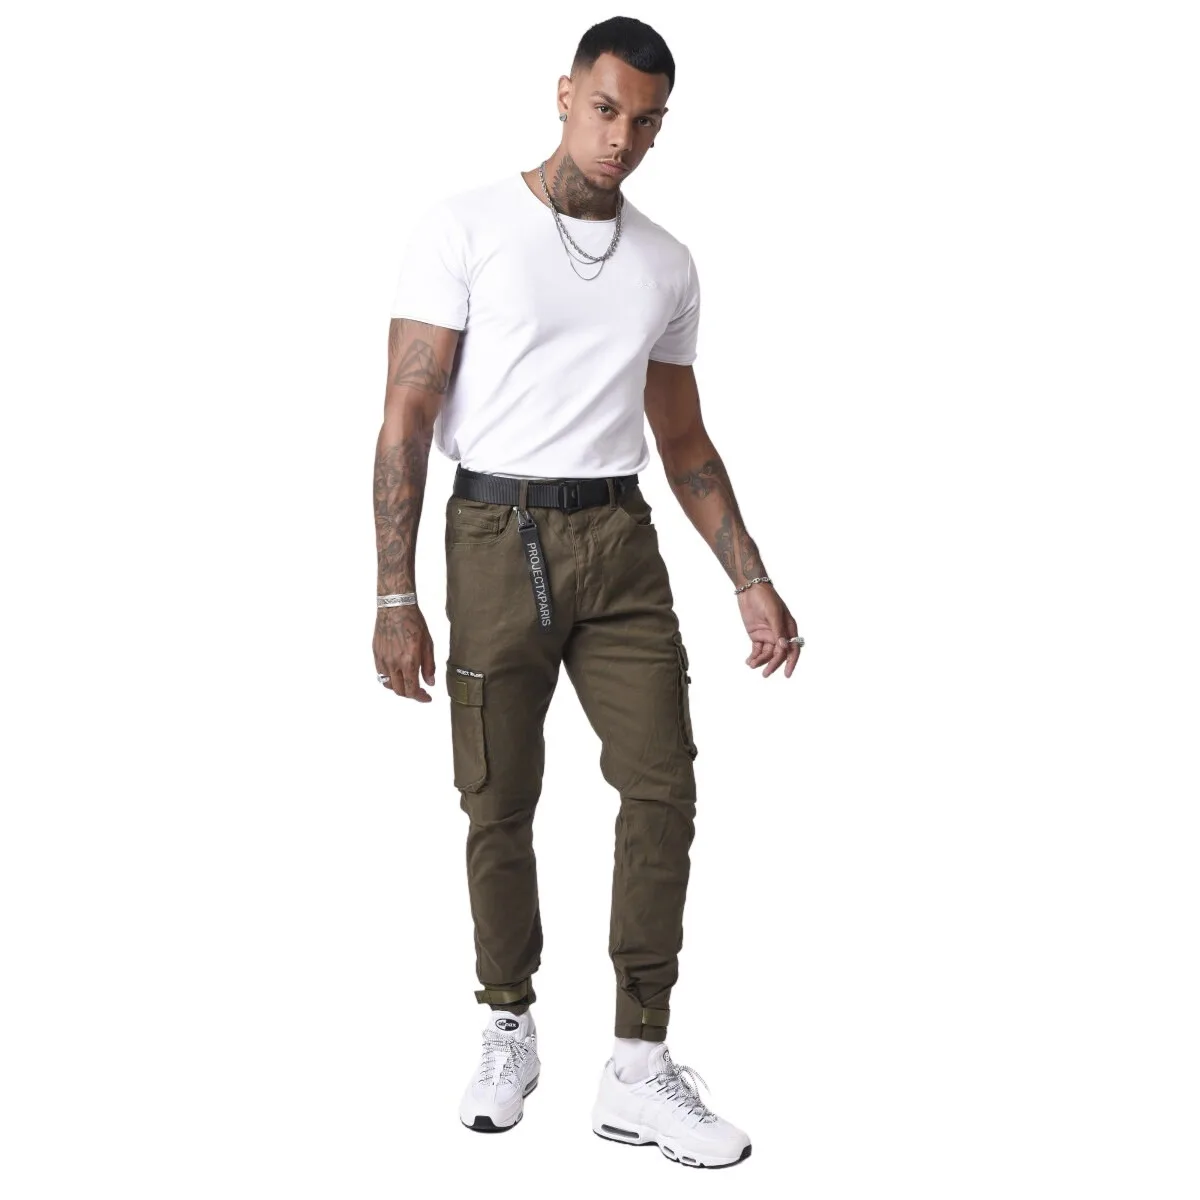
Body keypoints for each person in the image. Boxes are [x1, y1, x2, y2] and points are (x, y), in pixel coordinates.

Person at [373, 16, 801, 1169]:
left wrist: (751, 578)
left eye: (645, 122)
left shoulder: (667, 264)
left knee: (664, 786)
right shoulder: (465, 225)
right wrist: (394, 595)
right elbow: (408, 411)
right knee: (497, 797)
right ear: (565, 93)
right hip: (492, 533)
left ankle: (638, 1066)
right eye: (606, 109)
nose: (622, 138)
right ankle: (506, 1025)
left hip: (620, 539)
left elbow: (683, 436)